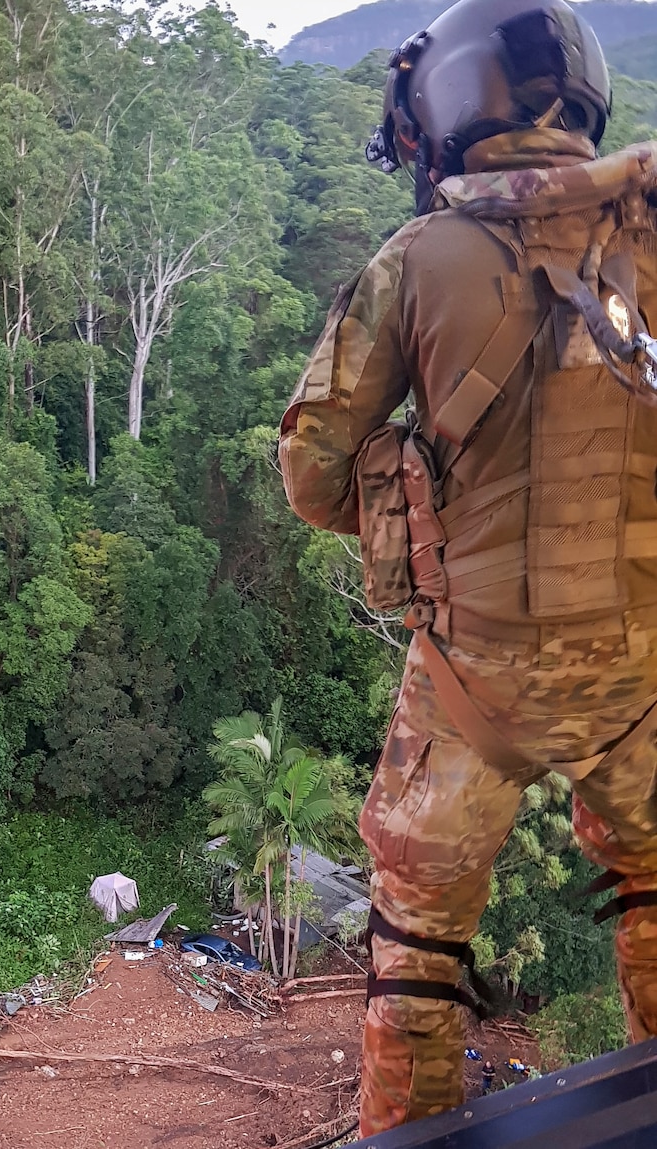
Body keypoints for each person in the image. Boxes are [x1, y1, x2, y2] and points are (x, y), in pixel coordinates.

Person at [278, 0, 657, 1138]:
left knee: (416, 947)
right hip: (639, 683)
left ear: (447, 107)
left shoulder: (418, 261)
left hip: (469, 684)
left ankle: (408, 1135)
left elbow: (310, 472)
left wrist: (416, 517)